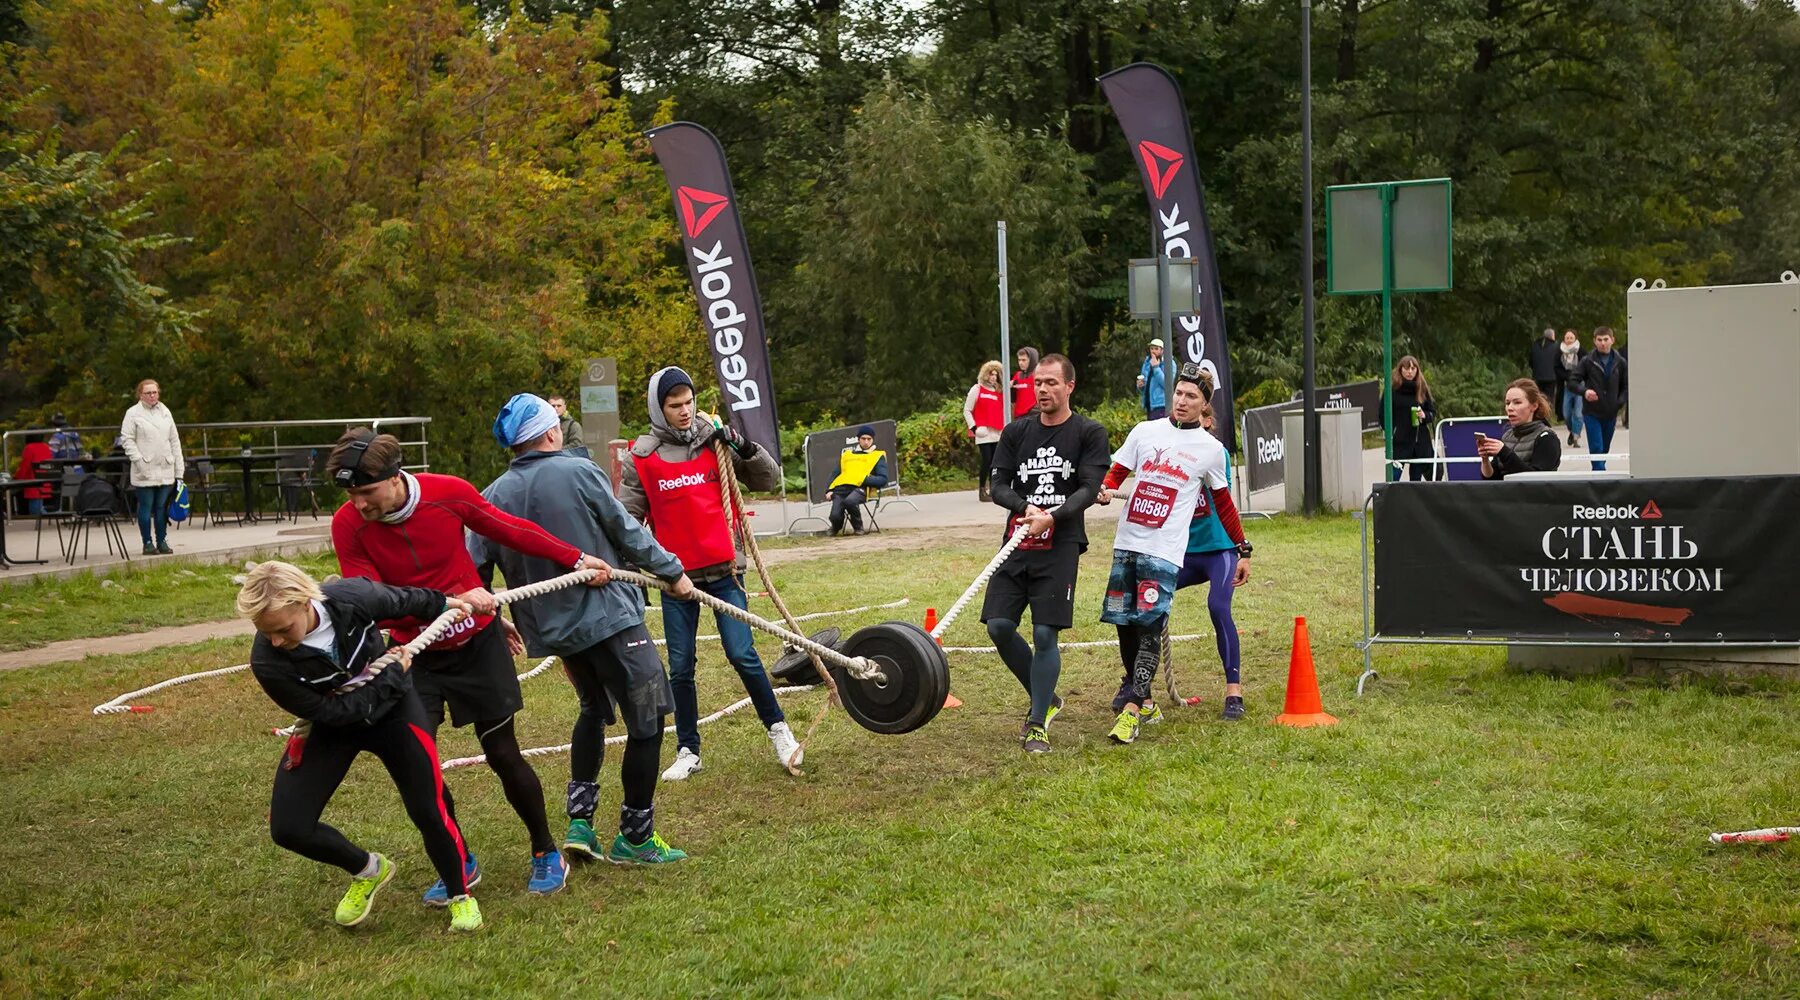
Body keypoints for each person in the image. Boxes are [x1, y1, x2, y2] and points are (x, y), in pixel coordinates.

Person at [328, 427, 612, 902]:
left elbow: (511, 529)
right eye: (351, 495)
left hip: (476, 644)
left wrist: (577, 558)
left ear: (396, 478)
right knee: (421, 767)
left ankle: (546, 852)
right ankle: (456, 861)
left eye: (366, 492)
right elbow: (372, 600)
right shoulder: (348, 524)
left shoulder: (447, 493)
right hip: (412, 654)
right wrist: (445, 603)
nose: (358, 504)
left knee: (503, 753)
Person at [470, 394, 697, 866]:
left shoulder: (490, 497)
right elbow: (626, 531)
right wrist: (673, 572)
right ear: (552, 432)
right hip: (609, 619)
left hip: (555, 633)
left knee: (593, 708)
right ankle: (635, 835)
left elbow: (474, 569)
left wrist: (494, 619)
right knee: (649, 717)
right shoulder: (578, 472)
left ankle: (580, 822)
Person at [238, 561, 484, 932]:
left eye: (283, 629)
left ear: (306, 603)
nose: (275, 640)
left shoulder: (352, 597)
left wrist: (447, 603)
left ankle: (460, 897)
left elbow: (404, 600)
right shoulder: (268, 661)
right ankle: (369, 869)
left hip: (396, 711)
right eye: (265, 632)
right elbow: (333, 712)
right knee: (289, 827)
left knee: (427, 808)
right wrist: (388, 678)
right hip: (336, 723)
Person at [617, 366, 800, 781]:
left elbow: (769, 479)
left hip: (725, 571)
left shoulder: (713, 442)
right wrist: (641, 565)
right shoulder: (642, 457)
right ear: (658, 407)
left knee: (742, 654)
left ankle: (779, 731)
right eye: (674, 405)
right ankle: (687, 750)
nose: (685, 411)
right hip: (676, 580)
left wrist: (743, 444)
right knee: (680, 666)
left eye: (689, 402)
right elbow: (626, 520)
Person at [1093, 365, 1245, 744]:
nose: (1181, 401)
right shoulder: (1145, 432)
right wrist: (1106, 488)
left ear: (1205, 405)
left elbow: (1224, 504)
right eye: (1179, 393)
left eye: (1191, 396)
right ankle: (1143, 697)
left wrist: (1243, 546)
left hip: (1165, 551)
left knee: (1148, 628)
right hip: (1128, 541)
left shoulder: (1211, 451)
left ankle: (1132, 711)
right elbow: (1118, 469)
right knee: (1124, 624)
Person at [983, 353, 1110, 754]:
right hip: (1017, 539)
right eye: (1039, 383)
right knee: (999, 626)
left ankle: (1036, 722)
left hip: (1060, 544)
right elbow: (998, 485)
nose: (1042, 390)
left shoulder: (1089, 432)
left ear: (1070, 386)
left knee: (1043, 633)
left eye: (1052, 383)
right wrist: (1026, 509)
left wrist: (1052, 516)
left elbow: (1089, 489)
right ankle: (1046, 696)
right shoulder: (1015, 432)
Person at [119, 378, 183, 556]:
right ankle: (147, 542)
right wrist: (138, 460)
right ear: (141, 395)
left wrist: (179, 467)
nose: (152, 395)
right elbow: (127, 439)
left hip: (165, 466)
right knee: (146, 506)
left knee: (162, 507)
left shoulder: (165, 411)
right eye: (148, 393)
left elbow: (174, 440)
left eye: (155, 392)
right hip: (144, 468)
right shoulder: (133, 413)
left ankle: (162, 540)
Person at [1478, 379, 1562, 480]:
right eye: (1507, 403)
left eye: (1517, 402)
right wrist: (1485, 460)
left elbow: (1537, 480)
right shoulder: (1507, 436)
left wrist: (1505, 453)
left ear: (1534, 406)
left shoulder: (1547, 438)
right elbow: (1492, 479)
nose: (1510, 408)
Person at [1572, 326, 1626, 470]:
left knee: (1604, 449)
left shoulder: (1620, 362)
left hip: (1611, 412)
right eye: (1599, 340)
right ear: (1594, 341)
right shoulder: (1587, 361)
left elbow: (1626, 386)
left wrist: (1619, 402)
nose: (1603, 343)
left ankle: (1600, 469)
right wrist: (1584, 391)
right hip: (1592, 412)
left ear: (1612, 340)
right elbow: (1572, 381)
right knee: (1596, 448)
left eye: (1606, 339)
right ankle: (1600, 477)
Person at [824, 425, 890, 536]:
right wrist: (829, 490)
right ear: (858, 439)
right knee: (834, 515)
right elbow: (835, 474)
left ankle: (858, 528)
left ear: (872, 440)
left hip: (861, 488)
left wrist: (864, 479)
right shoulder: (847, 455)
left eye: (869, 439)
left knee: (850, 501)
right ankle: (835, 527)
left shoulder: (878, 456)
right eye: (863, 439)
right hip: (841, 489)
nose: (866, 442)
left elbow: (883, 480)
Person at [1385, 356, 1438, 482]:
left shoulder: (1422, 388)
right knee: (1393, 478)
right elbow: (1383, 413)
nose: (1410, 372)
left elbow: (1432, 412)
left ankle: (1413, 502)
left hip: (1419, 443)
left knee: (1415, 481)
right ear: (1401, 370)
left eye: (1413, 368)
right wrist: (1390, 432)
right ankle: (1390, 500)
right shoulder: (1393, 390)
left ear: (1417, 370)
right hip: (1400, 442)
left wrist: (1425, 416)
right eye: (1407, 368)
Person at [963, 360, 1006, 503]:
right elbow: (967, 410)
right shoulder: (977, 389)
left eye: (995, 375)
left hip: (997, 432)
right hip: (983, 432)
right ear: (985, 374)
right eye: (991, 374)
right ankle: (982, 490)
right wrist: (974, 428)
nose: (993, 377)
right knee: (986, 460)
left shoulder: (998, 391)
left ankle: (994, 489)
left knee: (996, 462)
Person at [11, 432, 52, 515]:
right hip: (46, 482)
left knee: (35, 509)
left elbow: (24, 466)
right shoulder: (46, 447)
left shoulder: (29, 448)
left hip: (33, 484)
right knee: (39, 507)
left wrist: (16, 478)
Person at [1558, 329, 1585, 446]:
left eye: (1571, 338)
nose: (1569, 340)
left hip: (1580, 385)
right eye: (1567, 338)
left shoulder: (1581, 351)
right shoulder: (1559, 352)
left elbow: (1586, 367)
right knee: (1566, 413)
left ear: (1575, 339)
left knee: (1578, 413)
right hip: (1567, 386)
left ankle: (1576, 436)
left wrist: (1577, 377)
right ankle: (1572, 431)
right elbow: (1557, 368)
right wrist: (1567, 377)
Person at [1529, 327, 1561, 421]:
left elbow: (1530, 361)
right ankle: (1546, 417)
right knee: (1549, 398)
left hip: (1537, 376)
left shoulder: (1535, 345)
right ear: (1552, 336)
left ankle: (1537, 416)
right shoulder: (1556, 346)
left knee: (1538, 397)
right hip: (1551, 377)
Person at [1137, 338, 1171, 420]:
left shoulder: (1169, 363)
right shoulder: (1147, 363)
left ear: (1162, 350)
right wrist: (1140, 386)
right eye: (1151, 348)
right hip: (1149, 404)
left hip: (1161, 404)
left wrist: (1156, 367)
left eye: (1156, 349)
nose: (1153, 351)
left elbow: (1167, 384)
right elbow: (1145, 384)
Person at [1010, 346, 1040, 419]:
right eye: (1019, 360)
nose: (1020, 363)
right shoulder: (1017, 375)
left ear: (1032, 360)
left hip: (1034, 414)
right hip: (1019, 416)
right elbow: (1013, 399)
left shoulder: (1038, 375)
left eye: (1024, 360)